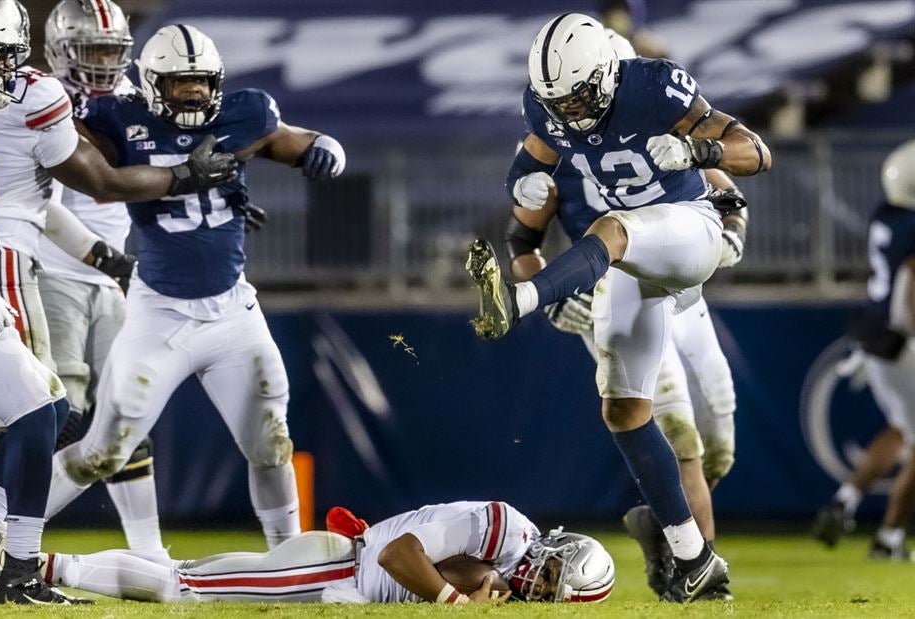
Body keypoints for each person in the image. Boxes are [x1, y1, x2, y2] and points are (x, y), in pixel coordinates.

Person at [0, 0, 237, 601]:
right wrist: (185, 176)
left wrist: (107, 258)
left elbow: (32, 198)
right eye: (3, 53)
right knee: (40, 412)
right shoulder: (1, 97)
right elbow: (95, 182)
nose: (12, 65)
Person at [468, 12, 771, 602]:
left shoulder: (655, 87)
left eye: (579, 96)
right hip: (626, 267)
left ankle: (521, 300)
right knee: (624, 410)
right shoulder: (548, 109)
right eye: (557, 101)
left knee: (716, 439)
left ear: (609, 72)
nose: (570, 113)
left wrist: (697, 148)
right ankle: (695, 561)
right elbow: (527, 179)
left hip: (687, 231)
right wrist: (523, 179)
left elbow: (754, 154)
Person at [45, 23, 346, 549]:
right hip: (158, 313)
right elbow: (88, 173)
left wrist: (328, 148)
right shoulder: (116, 119)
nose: (193, 93)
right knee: (103, 451)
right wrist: (184, 175)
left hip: (233, 314)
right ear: (148, 83)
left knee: (271, 441)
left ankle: (291, 559)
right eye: (179, 83)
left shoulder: (244, 113)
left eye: (202, 83)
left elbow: (295, 140)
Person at [37, 0, 168, 563]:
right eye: (90, 50)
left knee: (127, 410)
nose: (102, 63)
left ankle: (148, 550)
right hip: (51, 273)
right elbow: (37, 204)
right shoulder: (41, 100)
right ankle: (6, 542)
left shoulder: (132, 102)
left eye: (112, 52)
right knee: (51, 417)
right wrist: (107, 259)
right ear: (61, 50)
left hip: (111, 280)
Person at [811, 139, 915, 561]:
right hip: (903, 344)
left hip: (873, 333)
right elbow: (909, 314)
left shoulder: (890, 214)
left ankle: (846, 498)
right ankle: (890, 540)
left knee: (905, 428)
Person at [42, 502, 615, 605]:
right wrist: (453, 600)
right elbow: (397, 554)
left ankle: (45, 568)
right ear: (556, 549)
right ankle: (43, 568)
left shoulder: (509, 572)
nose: (539, 589)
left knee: (182, 573)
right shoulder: (501, 527)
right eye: (551, 577)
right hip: (341, 565)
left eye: (550, 593)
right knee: (181, 589)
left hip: (341, 567)